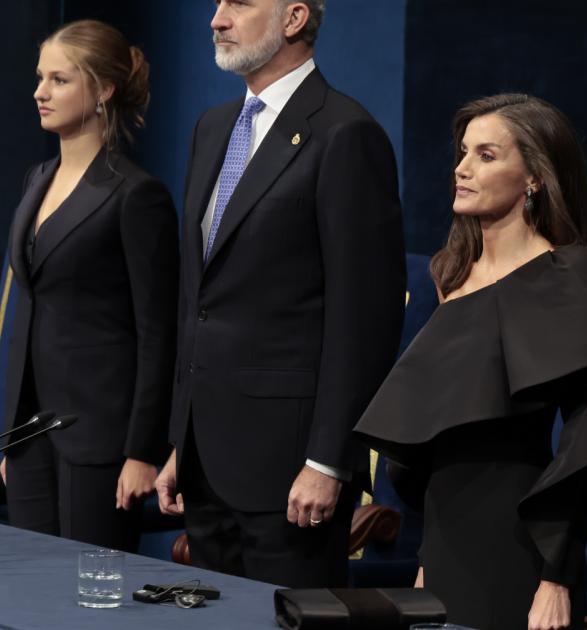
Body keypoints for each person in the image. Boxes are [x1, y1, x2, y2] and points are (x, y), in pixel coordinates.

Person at [354, 93, 587, 630]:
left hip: (521, 547)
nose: (462, 169)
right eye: (463, 153)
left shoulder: (570, 276)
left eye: (486, 156)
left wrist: (556, 579)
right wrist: (424, 557)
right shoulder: (452, 274)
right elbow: (436, 433)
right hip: (444, 543)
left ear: (534, 176)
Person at [154, 0, 405, 588]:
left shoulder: (346, 133)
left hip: (291, 470)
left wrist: (328, 460)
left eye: (238, 3)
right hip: (206, 462)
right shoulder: (211, 127)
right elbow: (199, 300)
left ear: (294, 18)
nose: (216, 19)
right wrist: (178, 442)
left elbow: (363, 320)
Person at [0, 19, 178, 552]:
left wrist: (142, 450)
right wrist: (11, 436)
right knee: (32, 596)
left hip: (102, 440)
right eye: (39, 78)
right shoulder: (36, 179)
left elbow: (158, 330)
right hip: (30, 435)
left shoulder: (136, 195)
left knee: (89, 599)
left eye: (59, 79)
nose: (39, 92)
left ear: (102, 90)